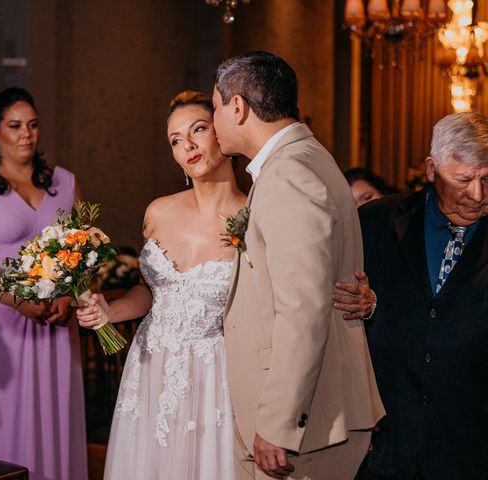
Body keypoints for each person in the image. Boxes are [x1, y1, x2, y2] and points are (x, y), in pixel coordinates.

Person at [76, 91, 375, 480]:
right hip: (151, 368)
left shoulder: (256, 212)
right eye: (176, 140)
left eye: (198, 129)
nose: (189, 146)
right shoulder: (158, 211)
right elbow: (152, 291)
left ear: (221, 132)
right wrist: (110, 311)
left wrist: (364, 301)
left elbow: (299, 292)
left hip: (219, 373)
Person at [213, 51, 385, 480]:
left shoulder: (288, 174)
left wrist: (277, 422)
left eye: (215, 106)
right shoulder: (306, 158)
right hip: (316, 414)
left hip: (305, 426)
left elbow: (303, 308)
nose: (215, 120)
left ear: (237, 107)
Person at [0, 87, 87, 480]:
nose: (26, 134)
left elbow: (84, 245)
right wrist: (16, 300)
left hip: (55, 320)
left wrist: (69, 295)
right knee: (6, 420)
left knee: (55, 414)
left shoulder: (63, 182)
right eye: (14, 126)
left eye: (33, 125)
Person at [356, 111, 488, 480]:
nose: (477, 195)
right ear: (431, 169)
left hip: (471, 450)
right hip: (385, 449)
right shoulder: (375, 223)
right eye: (462, 180)